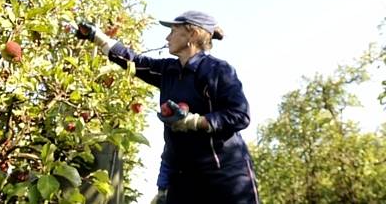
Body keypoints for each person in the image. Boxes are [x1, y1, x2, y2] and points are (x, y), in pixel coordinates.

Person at [76, 10, 259, 204]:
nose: (167, 37)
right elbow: (134, 61)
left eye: (173, 31)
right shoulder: (168, 71)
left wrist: (194, 121)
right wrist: (97, 37)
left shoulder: (217, 70)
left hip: (224, 175)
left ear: (192, 34)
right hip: (184, 177)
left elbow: (240, 115)